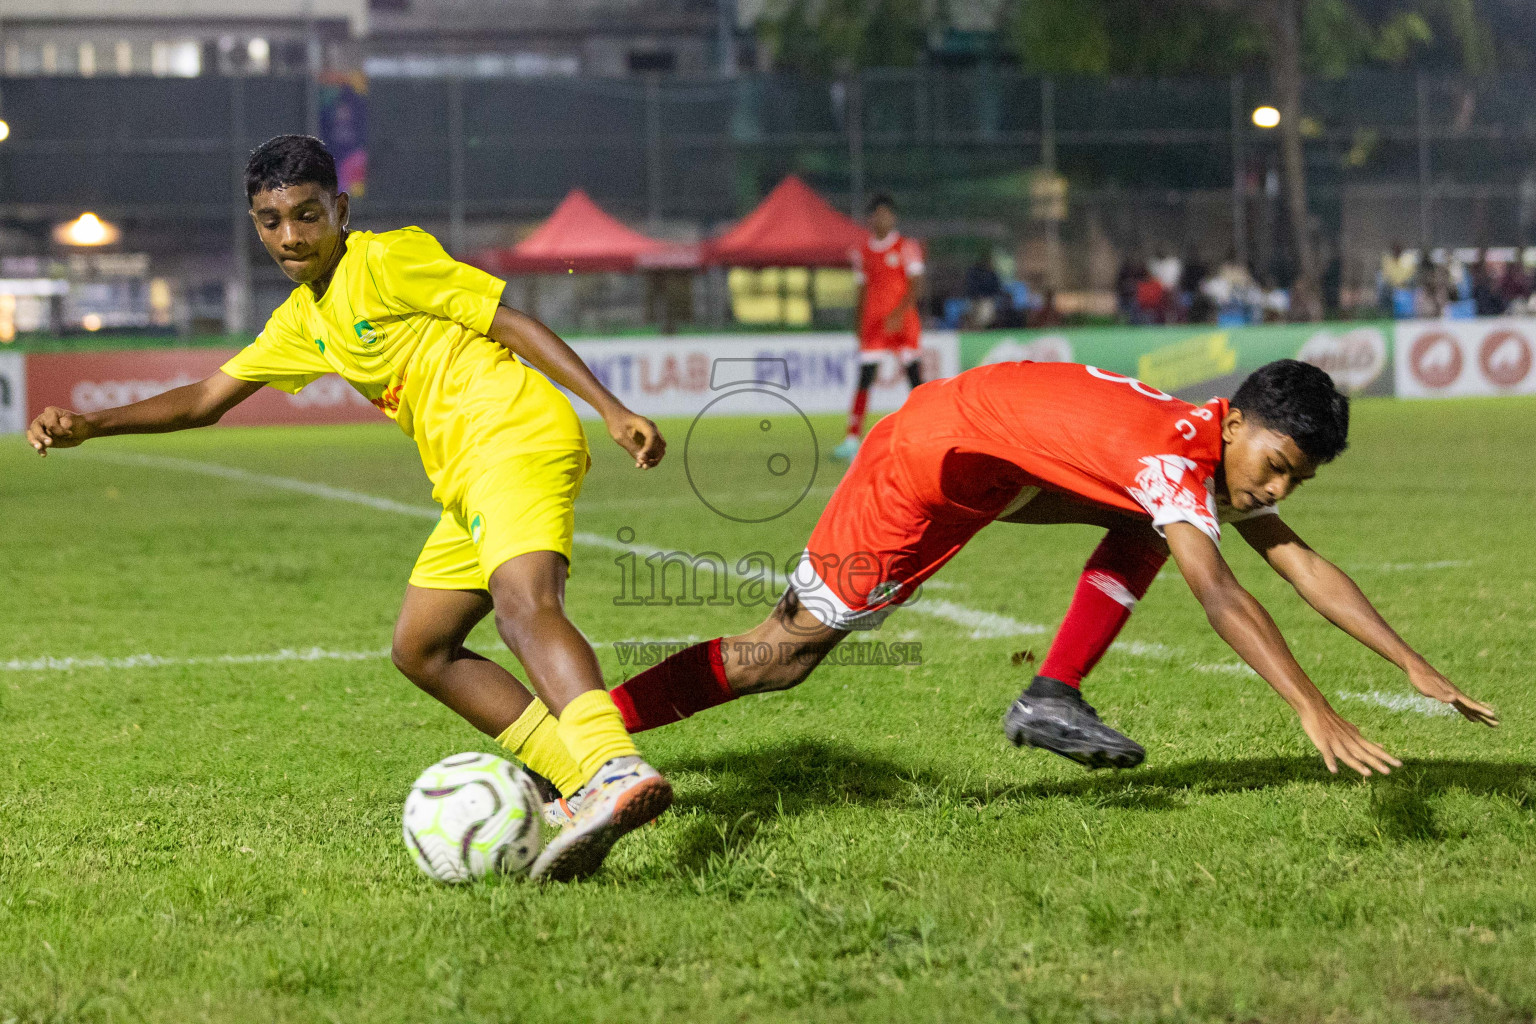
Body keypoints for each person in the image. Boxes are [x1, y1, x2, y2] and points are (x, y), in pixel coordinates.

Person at [24, 135, 673, 882]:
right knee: (421, 648)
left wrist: (611, 409)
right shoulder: (303, 320)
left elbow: (509, 321)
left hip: (512, 434)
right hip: (463, 472)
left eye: (306, 215)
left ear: (339, 209)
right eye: (271, 221)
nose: (291, 236)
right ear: (255, 222)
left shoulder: (386, 259)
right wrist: (90, 423)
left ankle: (612, 766)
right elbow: (205, 399)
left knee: (522, 604)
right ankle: (581, 779)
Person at [604, 360, 1497, 777]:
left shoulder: (1203, 451)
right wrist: (1316, 711)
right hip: (927, 462)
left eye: (1294, 479)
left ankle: (1052, 693)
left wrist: (1409, 660)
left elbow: (1300, 560)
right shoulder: (1174, 460)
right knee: (784, 655)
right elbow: (1221, 594)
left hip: (993, 463)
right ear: (1236, 424)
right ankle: (591, 733)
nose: (1277, 490)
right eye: (1276, 467)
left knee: (1163, 523)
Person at [835, 193, 926, 460]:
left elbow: (916, 283)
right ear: (870, 219)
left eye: (886, 214)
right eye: (877, 215)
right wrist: (858, 322)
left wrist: (900, 312)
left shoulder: (906, 247)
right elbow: (862, 289)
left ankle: (925, 431)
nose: (882, 219)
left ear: (893, 217)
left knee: (914, 378)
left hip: (903, 323)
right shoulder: (862, 252)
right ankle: (852, 438)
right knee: (864, 377)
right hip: (874, 324)